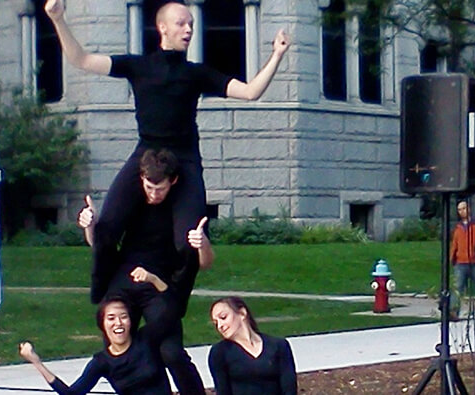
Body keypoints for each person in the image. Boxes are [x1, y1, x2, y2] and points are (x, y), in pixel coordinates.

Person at [44, 0, 290, 304]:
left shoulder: (196, 74)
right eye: (181, 24)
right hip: (146, 155)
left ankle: (173, 302)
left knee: (188, 238)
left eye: (191, 25)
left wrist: (277, 54)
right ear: (162, 28)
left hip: (184, 161)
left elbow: (251, 91)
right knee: (106, 227)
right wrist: (58, 19)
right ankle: (105, 297)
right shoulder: (138, 67)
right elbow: (80, 59)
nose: (188, 29)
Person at [78, 148, 212, 395]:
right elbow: (100, 244)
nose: (153, 194)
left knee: (171, 353)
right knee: (119, 346)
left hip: (158, 286)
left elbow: (204, 263)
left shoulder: (182, 207)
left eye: (159, 189)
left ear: (173, 181)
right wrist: (91, 225)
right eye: (148, 187)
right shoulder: (133, 200)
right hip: (124, 282)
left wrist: (201, 243)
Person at [19, 296, 172, 395]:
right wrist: (36, 362)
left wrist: (153, 280)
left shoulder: (146, 339)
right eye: (111, 318)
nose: (118, 323)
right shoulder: (102, 362)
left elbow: (169, 312)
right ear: (103, 325)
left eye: (123, 317)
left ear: (130, 321)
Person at [208, 297, 297, 395]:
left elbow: (290, 389)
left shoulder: (279, 346)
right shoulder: (219, 353)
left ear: (242, 313)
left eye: (223, 317)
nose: (220, 325)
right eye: (216, 323)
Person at [449, 199, 475, 320]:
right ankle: (453, 312)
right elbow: (455, 244)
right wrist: (453, 258)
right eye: (459, 209)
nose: (461, 211)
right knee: (457, 288)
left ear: (469, 209)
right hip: (460, 262)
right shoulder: (458, 227)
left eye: (463, 208)